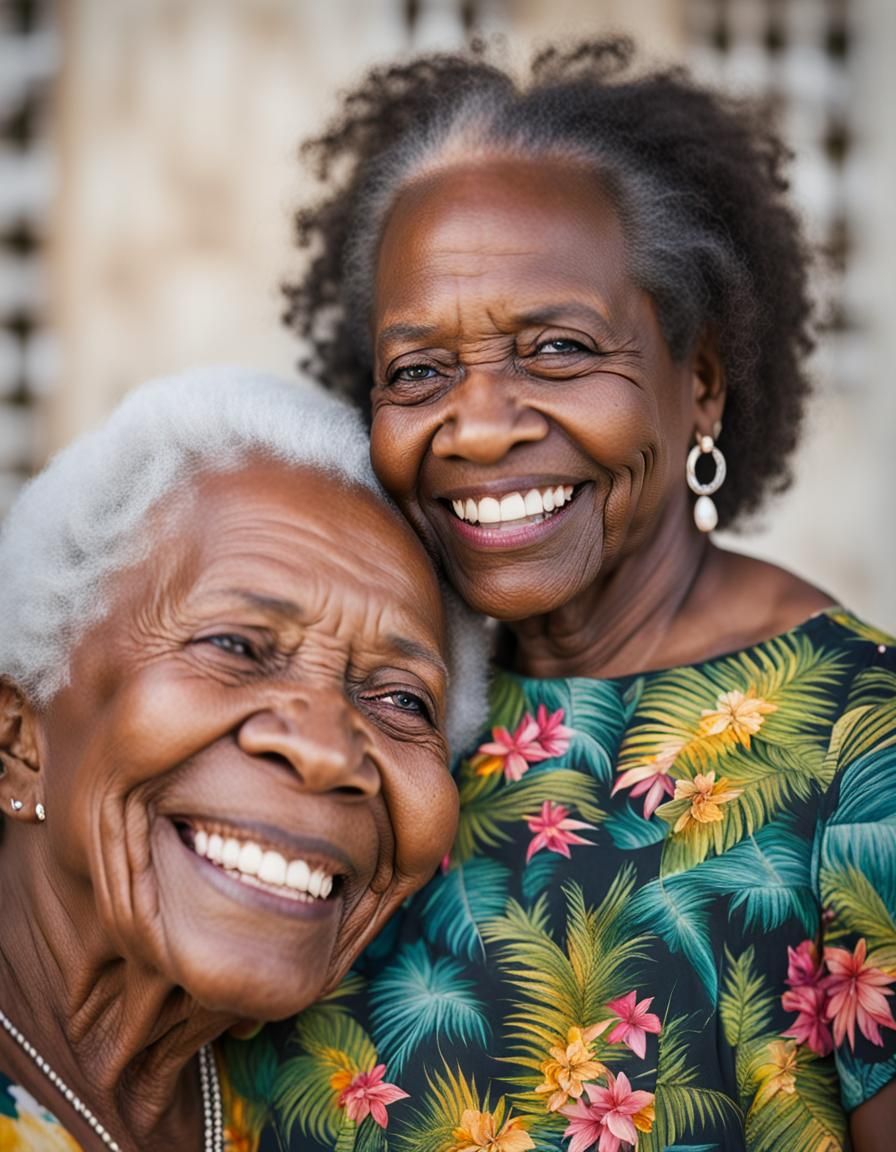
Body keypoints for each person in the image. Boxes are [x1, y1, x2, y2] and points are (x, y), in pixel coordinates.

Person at [231, 38, 896, 1152]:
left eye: (557, 350)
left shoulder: (856, 746)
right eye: (418, 370)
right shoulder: (343, 710)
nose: (480, 424)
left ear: (699, 383)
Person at [0, 367, 487, 1152]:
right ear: (19, 744)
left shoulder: (374, 1100)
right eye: (234, 647)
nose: (327, 753)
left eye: (401, 699)